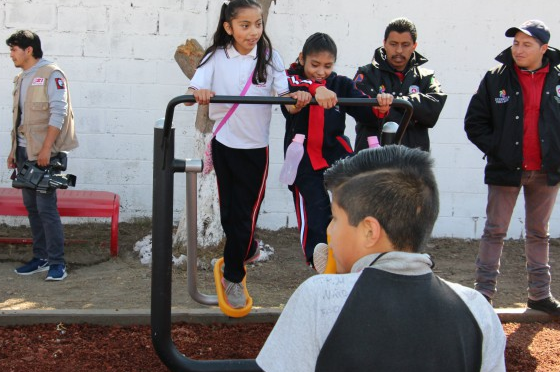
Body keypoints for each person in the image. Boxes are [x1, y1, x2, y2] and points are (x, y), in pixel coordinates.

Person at [257, 145, 506, 372]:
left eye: (334, 218)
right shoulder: (477, 309)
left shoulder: (318, 297)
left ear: (369, 231)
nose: (329, 230)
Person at [185, 0, 309, 309]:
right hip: (225, 145)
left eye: (258, 25)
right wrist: (197, 94)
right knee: (231, 215)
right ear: (228, 27)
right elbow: (193, 91)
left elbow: (287, 101)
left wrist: (300, 98)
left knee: (245, 216)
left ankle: (233, 277)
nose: (253, 31)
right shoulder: (216, 56)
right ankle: (247, 247)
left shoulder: (269, 58)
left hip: (255, 150)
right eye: (245, 25)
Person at [465, 20, 560, 315]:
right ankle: (484, 294)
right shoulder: (496, 78)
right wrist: (498, 149)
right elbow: (474, 122)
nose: (518, 49)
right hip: (505, 169)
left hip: (547, 170)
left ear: (543, 49)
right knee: (494, 230)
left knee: (538, 233)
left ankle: (539, 296)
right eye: (516, 43)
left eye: (526, 44)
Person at [282, 32, 392, 267]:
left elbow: (364, 107)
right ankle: (318, 260)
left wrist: (380, 105)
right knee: (316, 206)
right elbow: (290, 88)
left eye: (327, 66)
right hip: (303, 157)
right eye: (315, 65)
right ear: (302, 59)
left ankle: (357, 252)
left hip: (336, 152)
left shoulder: (340, 83)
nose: (321, 72)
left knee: (352, 199)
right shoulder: (291, 79)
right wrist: (312, 91)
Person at [7, 30, 78, 281]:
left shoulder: (52, 74)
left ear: (29, 50)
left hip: (44, 152)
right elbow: (20, 118)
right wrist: (14, 151)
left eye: (14, 49)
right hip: (25, 152)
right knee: (32, 207)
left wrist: (47, 148)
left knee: (46, 208)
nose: (11, 54)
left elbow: (58, 112)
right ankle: (41, 257)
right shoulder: (21, 77)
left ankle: (57, 263)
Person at [353, 17, 447, 152]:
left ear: (414, 45)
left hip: (413, 163)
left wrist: (392, 104)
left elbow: (432, 111)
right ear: (384, 43)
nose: (398, 50)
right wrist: (412, 115)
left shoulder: (426, 77)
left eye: (405, 44)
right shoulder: (366, 74)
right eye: (393, 44)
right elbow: (362, 111)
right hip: (372, 161)